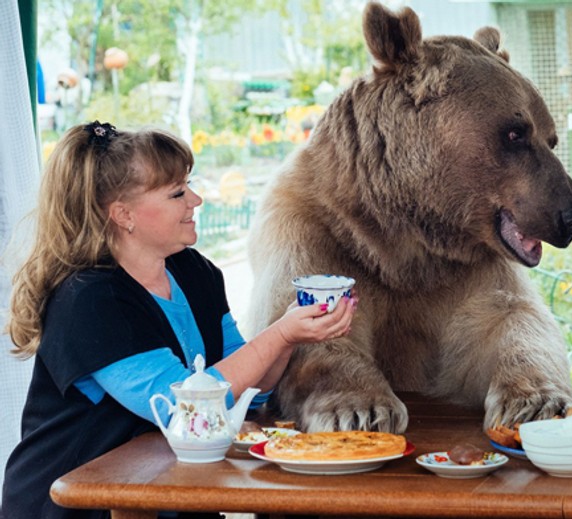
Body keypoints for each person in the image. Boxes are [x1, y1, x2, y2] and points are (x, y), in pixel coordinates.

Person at [2, 121, 357, 518]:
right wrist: (278, 334)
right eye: (177, 193)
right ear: (123, 214)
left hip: (167, 494)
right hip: (76, 506)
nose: (197, 199)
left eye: (190, 185)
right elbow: (183, 409)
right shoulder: (89, 300)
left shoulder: (194, 271)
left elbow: (246, 390)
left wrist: (292, 335)